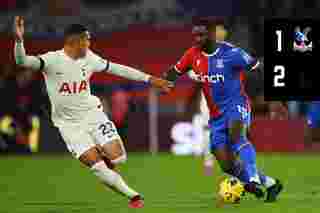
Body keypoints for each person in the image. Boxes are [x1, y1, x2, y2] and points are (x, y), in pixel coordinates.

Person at [14, 16, 173, 208]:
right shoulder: (51, 60)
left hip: (93, 115)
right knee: (97, 167)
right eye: (86, 40)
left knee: (118, 157)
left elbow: (117, 69)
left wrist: (150, 79)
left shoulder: (89, 57)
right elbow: (22, 61)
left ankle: (106, 156)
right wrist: (19, 40)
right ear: (74, 41)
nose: (89, 43)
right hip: (69, 125)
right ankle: (134, 196)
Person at [163, 17, 285, 202]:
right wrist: (162, 81)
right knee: (226, 164)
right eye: (195, 35)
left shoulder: (232, 53)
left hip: (237, 105)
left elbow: (258, 68)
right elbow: (174, 72)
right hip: (216, 115)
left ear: (212, 34)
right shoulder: (192, 54)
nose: (197, 39)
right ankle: (270, 183)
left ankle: (251, 178)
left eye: (201, 35)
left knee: (237, 136)